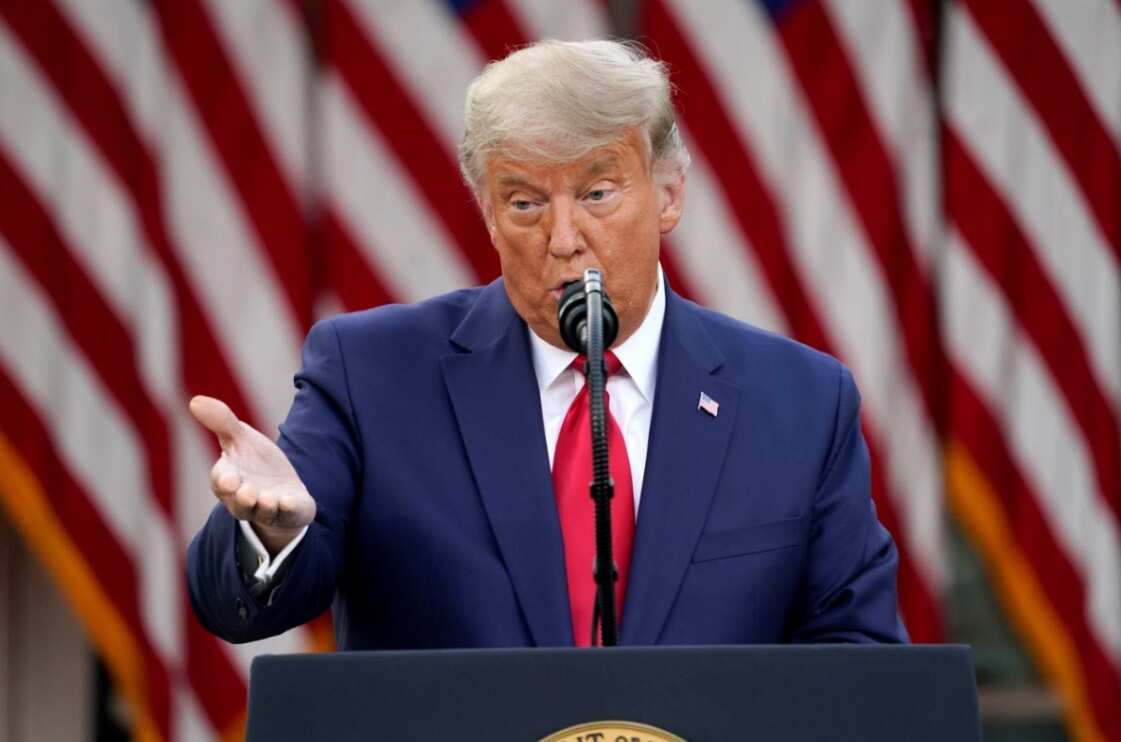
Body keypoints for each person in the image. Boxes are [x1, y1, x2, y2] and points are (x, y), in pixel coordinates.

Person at [187, 39, 907, 648]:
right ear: (488, 213)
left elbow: (859, 661)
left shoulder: (799, 402)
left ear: (668, 194)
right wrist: (270, 536)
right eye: (525, 202)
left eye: (597, 194)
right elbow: (237, 607)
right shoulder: (372, 377)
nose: (563, 240)